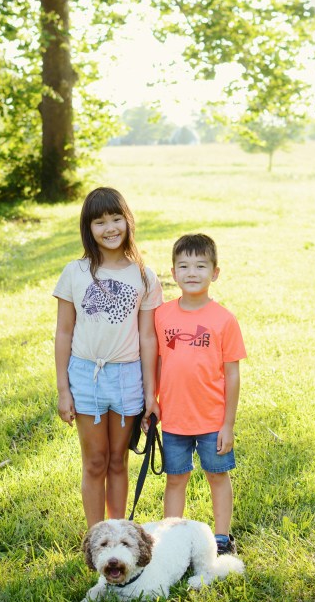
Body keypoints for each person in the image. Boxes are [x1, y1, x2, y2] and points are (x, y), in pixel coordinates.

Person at [53, 187, 162, 528]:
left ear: (128, 221)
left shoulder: (144, 276)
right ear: (88, 228)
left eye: (116, 219)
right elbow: (64, 333)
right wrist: (63, 390)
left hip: (128, 376)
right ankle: (96, 538)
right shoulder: (75, 272)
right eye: (99, 222)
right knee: (95, 462)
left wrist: (151, 394)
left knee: (118, 461)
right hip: (87, 376)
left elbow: (148, 337)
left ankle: (117, 535)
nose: (110, 228)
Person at [151, 233, 246, 554]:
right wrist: (153, 402)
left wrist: (228, 424)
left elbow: (232, 375)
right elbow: (157, 362)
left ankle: (221, 539)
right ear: (173, 272)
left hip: (212, 420)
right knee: (176, 479)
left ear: (215, 273)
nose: (192, 272)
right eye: (184, 266)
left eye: (201, 266)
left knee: (217, 476)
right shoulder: (162, 315)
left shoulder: (224, 320)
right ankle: (171, 540)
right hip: (174, 418)